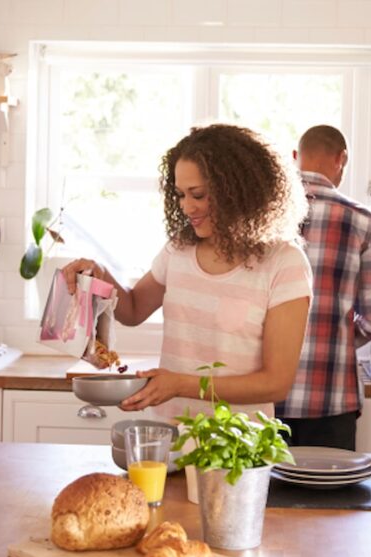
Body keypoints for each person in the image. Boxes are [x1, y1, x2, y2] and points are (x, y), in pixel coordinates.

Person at [62, 123, 313, 421]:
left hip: (239, 448)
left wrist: (180, 385)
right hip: (171, 437)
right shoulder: (179, 249)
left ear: (239, 191)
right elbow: (132, 310)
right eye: (180, 195)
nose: (187, 207)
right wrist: (100, 273)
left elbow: (275, 384)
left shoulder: (283, 263)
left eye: (198, 194)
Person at [275, 125, 371, 450]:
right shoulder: (362, 221)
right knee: (331, 500)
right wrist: (337, 337)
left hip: (262, 397)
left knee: (260, 498)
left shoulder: (263, 217)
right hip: (331, 398)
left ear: (295, 158)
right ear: (342, 158)